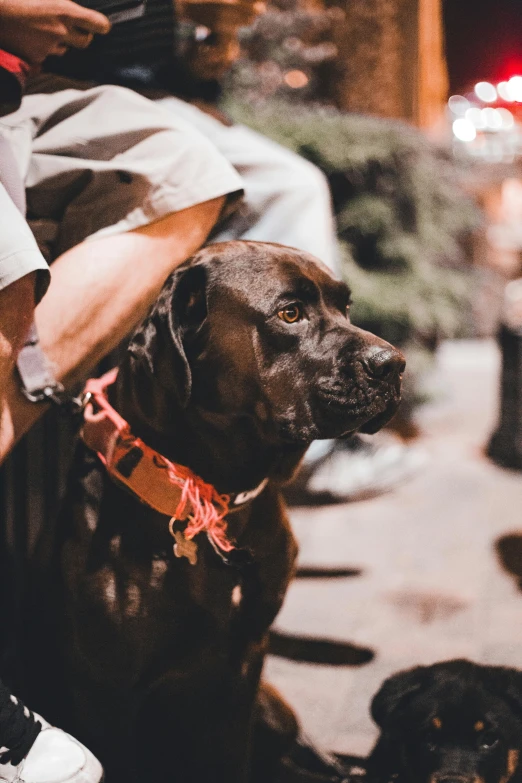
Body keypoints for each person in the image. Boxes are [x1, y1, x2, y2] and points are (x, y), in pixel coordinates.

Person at [45, 0, 426, 504]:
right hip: (60, 79)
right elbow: (70, 21)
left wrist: (196, 50)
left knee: (291, 183)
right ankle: (303, 445)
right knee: (249, 182)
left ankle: (286, 442)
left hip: (142, 88)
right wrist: (169, 12)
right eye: (294, 312)